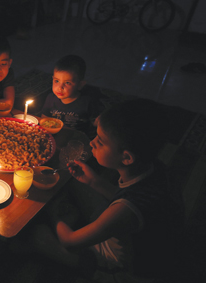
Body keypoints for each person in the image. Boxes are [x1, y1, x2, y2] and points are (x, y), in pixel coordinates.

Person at [11, 99, 185, 282]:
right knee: (76, 183)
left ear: (126, 157)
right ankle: (80, 223)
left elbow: (69, 242)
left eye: (100, 141)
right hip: (132, 232)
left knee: (38, 235)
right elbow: (125, 198)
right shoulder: (155, 167)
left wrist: (53, 213)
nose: (92, 142)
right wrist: (94, 181)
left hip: (129, 270)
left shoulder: (126, 210)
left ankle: (86, 265)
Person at [40, 54, 104, 139]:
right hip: (55, 137)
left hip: (76, 139)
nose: (60, 87)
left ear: (80, 85)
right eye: (57, 81)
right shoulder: (50, 98)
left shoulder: (87, 102)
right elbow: (44, 118)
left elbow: (95, 124)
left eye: (67, 83)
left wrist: (99, 121)